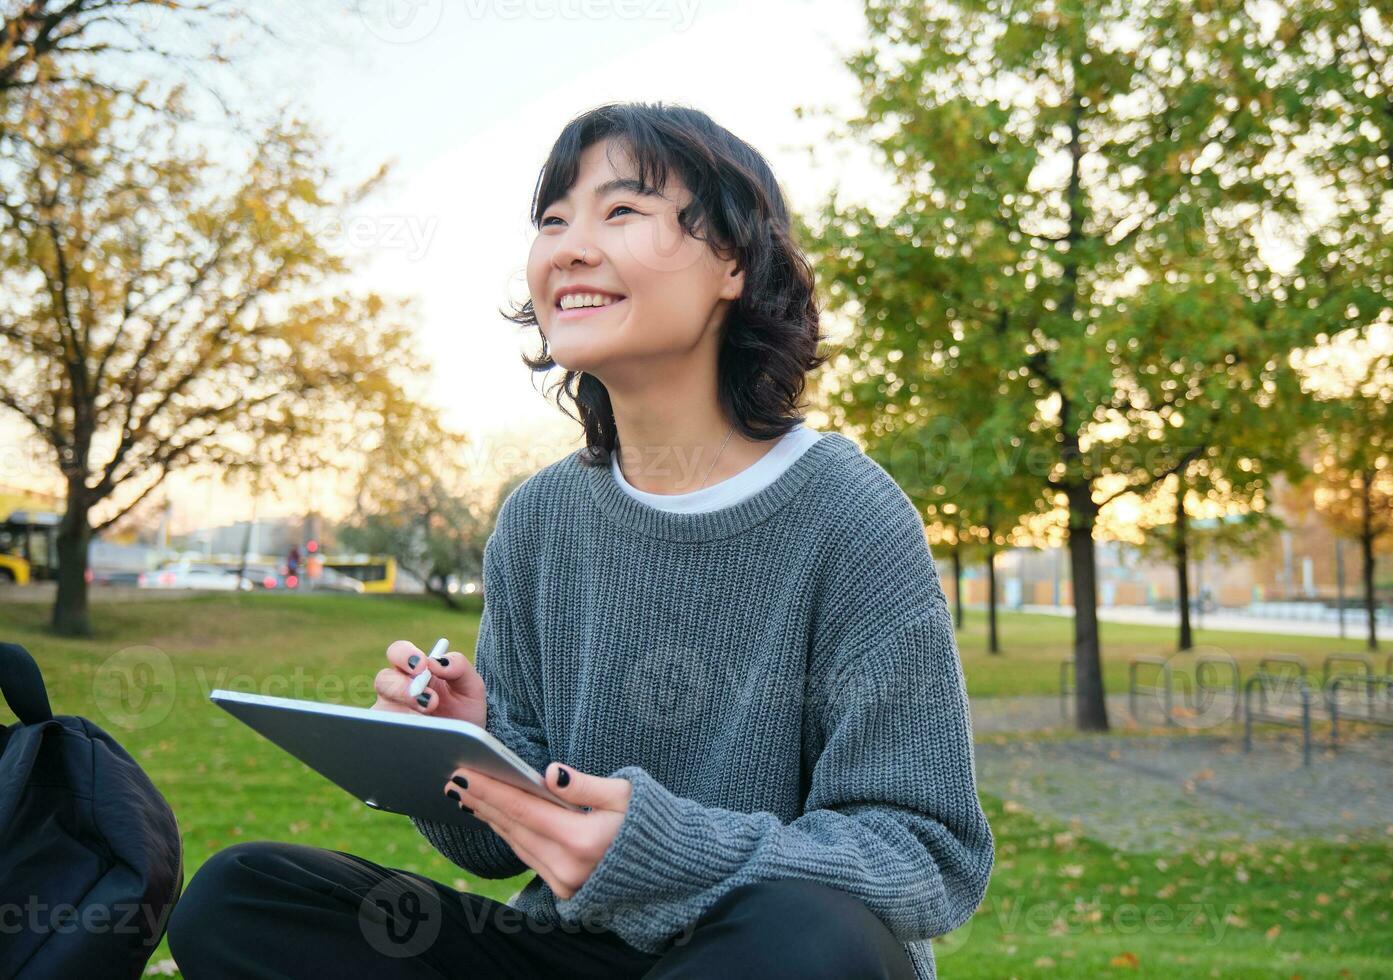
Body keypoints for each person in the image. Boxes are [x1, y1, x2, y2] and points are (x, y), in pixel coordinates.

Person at [167, 102, 993, 979]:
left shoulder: (849, 514)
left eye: (622, 211)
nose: (567, 246)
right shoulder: (539, 520)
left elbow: (925, 853)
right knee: (243, 895)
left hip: (764, 952)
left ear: (735, 266)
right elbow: (494, 854)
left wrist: (660, 849)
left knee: (811, 937)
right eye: (552, 219)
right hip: (573, 951)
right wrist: (468, 748)